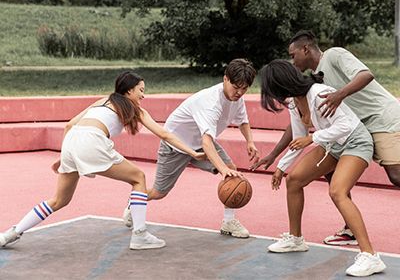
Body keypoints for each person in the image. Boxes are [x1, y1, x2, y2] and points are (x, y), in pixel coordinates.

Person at [0, 71, 205, 250]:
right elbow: (164, 134)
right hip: (91, 140)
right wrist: (192, 153)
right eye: (141, 90)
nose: (144, 94)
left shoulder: (104, 100)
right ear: (129, 91)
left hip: (73, 141)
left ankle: (11, 233)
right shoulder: (135, 110)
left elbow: (70, 125)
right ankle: (140, 235)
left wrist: (63, 156)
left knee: (59, 200)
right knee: (138, 178)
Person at [252, 30, 400, 246]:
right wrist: (275, 157)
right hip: (351, 128)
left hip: (381, 118)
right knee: (330, 176)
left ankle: (366, 249)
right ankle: (348, 230)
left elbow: (366, 75)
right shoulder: (306, 88)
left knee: (396, 175)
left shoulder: (333, 55)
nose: (292, 61)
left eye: (293, 55)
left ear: (305, 49)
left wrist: (339, 95)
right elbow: (296, 128)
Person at [259, 59, 386, 277]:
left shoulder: (318, 93)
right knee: (294, 179)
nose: (274, 96)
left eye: (272, 90)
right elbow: (298, 138)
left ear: (282, 84)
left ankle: (370, 256)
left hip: (356, 141)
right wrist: (281, 166)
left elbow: (344, 126)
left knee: (337, 191)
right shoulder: (294, 103)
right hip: (333, 144)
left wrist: (312, 138)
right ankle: (296, 239)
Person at [123, 58, 259, 238]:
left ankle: (228, 222)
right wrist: (222, 169)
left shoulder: (237, 97)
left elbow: (242, 120)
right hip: (175, 145)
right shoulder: (210, 102)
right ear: (225, 79)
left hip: (200, 142)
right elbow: (207, 143)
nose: (240, 92)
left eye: (244, 89)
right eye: (236, 87)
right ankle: (134, 203)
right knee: (158, 192)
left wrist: (250, 141)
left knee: (232, 171)